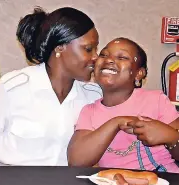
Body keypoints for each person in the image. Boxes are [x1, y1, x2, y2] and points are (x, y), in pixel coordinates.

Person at [0, 7, 102, 166]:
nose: (96, 57)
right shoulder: (14, 87)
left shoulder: (94, 96)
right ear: (60, 47)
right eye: (88, 49)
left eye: (96, 49)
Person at [68, 37, 179, 173]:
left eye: (122, 57)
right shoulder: (89, 111)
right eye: (103, 55)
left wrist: (170, 136)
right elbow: (77, 161)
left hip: (165, 182)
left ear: (139, 74)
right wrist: (117, 122)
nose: (109, 60)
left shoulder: (156, 100)